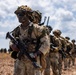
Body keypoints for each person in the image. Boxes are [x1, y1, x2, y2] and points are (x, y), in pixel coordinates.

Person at [9, 5, 50, 75]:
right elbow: (11, 40)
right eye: (17, 14)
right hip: (20, 60)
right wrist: (12, 45)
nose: (19, 16)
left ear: (28, 15)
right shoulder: (17, 30)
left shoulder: (38, 29)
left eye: (21, 14)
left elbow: (46, 44)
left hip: (33, 59)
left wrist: (37, 53)